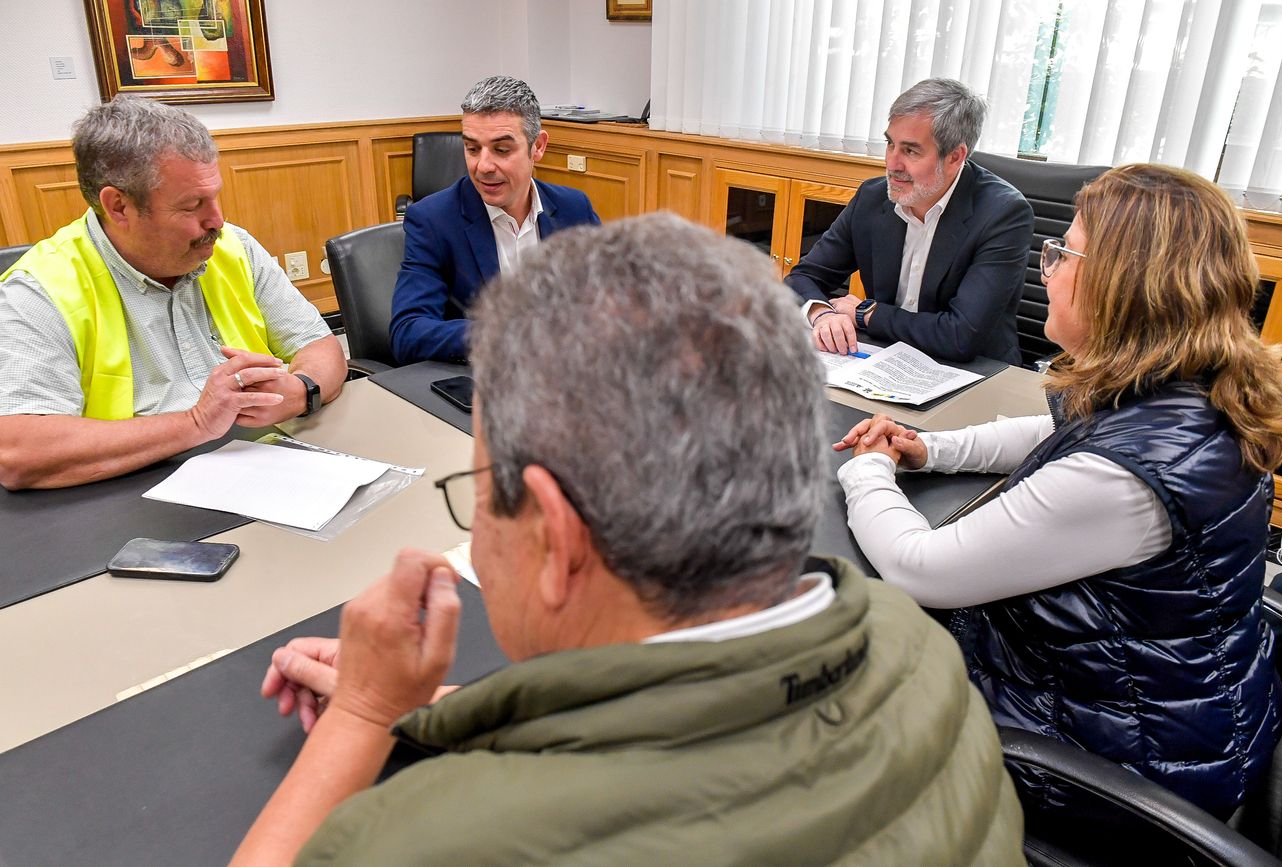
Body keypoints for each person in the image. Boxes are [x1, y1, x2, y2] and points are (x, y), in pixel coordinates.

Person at [233, 214, 1025, 865]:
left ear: (552, 531)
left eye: (481, 492)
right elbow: (684, 705)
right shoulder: (915, 648)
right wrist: (428, 705)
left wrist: (362, 716)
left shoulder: (448, 840)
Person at [833, 164, 1282, 819]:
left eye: (1062, 252)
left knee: (840, 672)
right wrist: (928, 447)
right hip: (1175, 708)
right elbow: (1046, 427)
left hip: (1107, 762)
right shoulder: (1192, 387)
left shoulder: (1122, 480)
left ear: (1121, 286)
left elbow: (920, 568)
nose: (1044, 269)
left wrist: (867, 469)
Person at [0, 96, 345, 490]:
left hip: (265, 467)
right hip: (124, 492)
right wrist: (196, 423)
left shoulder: (234, 248)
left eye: (215, 196)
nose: (216, 219)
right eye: (192, 205)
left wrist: (302, 390)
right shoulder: (40, 289)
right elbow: (18, 452)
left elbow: (321, 346)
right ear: (119, 207)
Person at [786, 78, 1033, 365]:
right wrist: (822, 314)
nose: (892, 164)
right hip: (885, 359)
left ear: (955, 157)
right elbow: (802, 277)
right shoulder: (872, 197)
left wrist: (866, 313)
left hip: (974, 372)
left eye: (911, 151)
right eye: (890, 144)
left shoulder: (1003, 214)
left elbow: (960, 336)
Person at [388, 75, 601, 364]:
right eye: (472, 149)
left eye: (501, 150)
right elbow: (408, 332)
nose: (483, 166)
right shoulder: (432, 220)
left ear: (537, 146)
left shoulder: (574, 208)